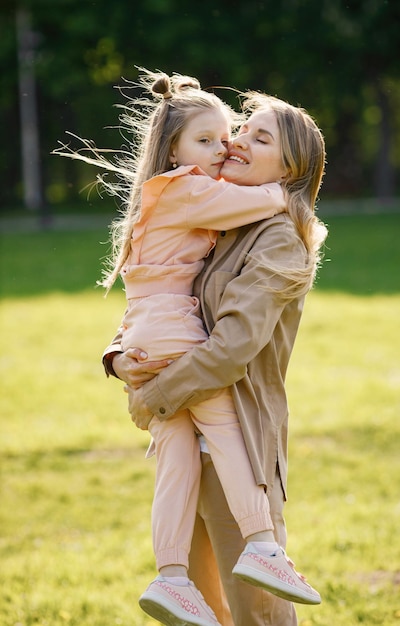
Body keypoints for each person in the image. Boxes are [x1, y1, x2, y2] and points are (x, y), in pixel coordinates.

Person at [104, 88, 328, 626]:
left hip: (239, 448)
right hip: (192, 446)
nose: (236, 141)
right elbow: (161, 297)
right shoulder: (216, 219)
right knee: (204, 614)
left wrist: (154, 396)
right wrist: (116, 358)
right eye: (241, 130)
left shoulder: (275, 238)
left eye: (260, 136)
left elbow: (229, 351)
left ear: (289, 164)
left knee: (257, 617)